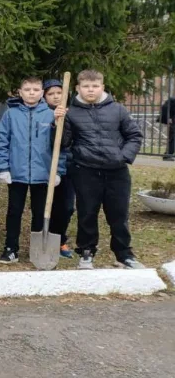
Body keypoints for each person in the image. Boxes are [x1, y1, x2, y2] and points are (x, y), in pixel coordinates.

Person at [62, 70, 144, 269]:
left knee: (118, 215)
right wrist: (58, 123)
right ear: (78, 88)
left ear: (102, 87)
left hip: (116, 172)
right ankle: (87, 252)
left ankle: (123, 254)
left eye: (95, 86)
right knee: (87, 213)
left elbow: (134, 135)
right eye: (86, 86)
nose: (91, 90)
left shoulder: (117, 110)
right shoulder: (70, 112)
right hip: (86, 171)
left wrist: (123, 157)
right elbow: (63, 143)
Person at [0, 76, 65, 264]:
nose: (31, 93)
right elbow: (1, 142)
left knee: (40, 212)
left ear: (41, 93)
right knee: (14, 211)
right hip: (17, 174)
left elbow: (61, 146)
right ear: (20, 92)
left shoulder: (51, 115)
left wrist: (57, 171)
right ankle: (10, 249)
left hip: (43, 175)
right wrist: (2, 168)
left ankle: (37, 248)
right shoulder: (11, 114)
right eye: (27, 89)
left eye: (35, 89)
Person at [43, 79, 76, 259]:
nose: (56, 97)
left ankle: (60, 239)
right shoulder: (43, 114)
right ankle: (46, 239)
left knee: (67, 207)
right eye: (51, 94)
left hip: (69, 167)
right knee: (47, 205)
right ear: (45, 96)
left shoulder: (74, 113)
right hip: (48, 167)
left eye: (59, 93)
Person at [160, 95, 175, 160]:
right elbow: (166, 109)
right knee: (173, 138)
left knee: (172, 138)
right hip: (173, 120)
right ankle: (168, 155)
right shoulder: (172, 100)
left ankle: (168, 155)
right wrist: (168, 118)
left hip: (172, 120)